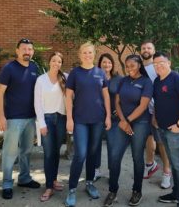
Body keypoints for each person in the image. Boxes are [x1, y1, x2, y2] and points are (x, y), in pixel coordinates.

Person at [65, 42, 111, 207]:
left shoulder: (100, 73)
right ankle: (71, 189)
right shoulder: (75, 73)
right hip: (80, 120)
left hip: (97, 120)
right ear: (80, 54)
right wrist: (69, 119)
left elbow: (106, 97)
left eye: (90, 52)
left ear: (94, 54)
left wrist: (108, 117)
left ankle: (89, 183)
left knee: (93, 153)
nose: (87, 55)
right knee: (80, 154)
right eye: (84, 52)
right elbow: (68, 97)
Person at [103, 55, 153, 207]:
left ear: (139, 65)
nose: (129, 68)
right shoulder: (123, 80)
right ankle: (113, 191)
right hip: (123, 123)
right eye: (126, 65)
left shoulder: (146, 82)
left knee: (137, 157)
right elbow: (117, 102)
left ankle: (137, 191)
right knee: (114, 155)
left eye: (132, 65)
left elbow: (143, 106)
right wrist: (123, 121)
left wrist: (128, 121)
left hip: (140, 124)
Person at [0, 38, 40, 200]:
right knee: (10, 153)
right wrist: (0, 116)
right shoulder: (9, 69)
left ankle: (24, 178)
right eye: (24, 49)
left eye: (30, 49)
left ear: (33, 52)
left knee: (26, 151)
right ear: (17, 51)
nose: (27, 52)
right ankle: (7, 183)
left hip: (30, 118)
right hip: (13, 119)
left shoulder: (35, 67)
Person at [152, 52, 179, 207]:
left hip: (177, 131)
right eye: (155, 64)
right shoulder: (157, 81)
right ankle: (176, 193)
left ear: (168, 62)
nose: (158, 66)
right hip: (163, 129)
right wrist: (155, 118)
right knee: (174, 165)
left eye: (161, 62)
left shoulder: (177, 79)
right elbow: (157, 102)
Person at [34, 52, 67, 202]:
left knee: (56, 152)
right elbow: (37, 103)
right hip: (47, 119)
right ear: (49, 62)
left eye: (59, 61)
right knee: (48, 154)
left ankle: (53, 181)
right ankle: (48, 187)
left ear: (61, 63)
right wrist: (41, 123)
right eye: (54, 60)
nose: (56, 63)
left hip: (61, 119)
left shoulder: (65, 77)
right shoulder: (41, 80)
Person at [140, 41, 172, 189]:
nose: (146, 50)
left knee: (161, 142)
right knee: (148, 137)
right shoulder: (140, 67)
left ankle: (166, 172)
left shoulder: (158, 67)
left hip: (158, 110)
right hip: (144, 110)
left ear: (154, 50)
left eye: (149, 48)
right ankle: (150, 164)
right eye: (143, 48)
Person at [94, 53, 123, 181]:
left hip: (114, 119)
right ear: (99, 63)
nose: (107, 64)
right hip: (97, 117)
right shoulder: (94, 77)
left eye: (109, 62)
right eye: (104, 62)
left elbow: (123, 97)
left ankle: (113, 172)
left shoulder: (118, 79)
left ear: (112, 64)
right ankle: (95, 170)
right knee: (95, 145)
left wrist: (119, 111)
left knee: (113, 146)